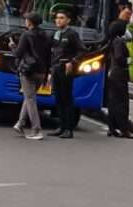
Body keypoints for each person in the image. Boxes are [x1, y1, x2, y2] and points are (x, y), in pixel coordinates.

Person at [9, 13, 51, 140]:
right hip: (41, 72)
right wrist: (47, 74)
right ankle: (20, 124)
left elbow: (18, 54)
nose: (25, 21)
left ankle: (36, 130)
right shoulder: (47, 35)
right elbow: (49, 56)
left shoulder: (26, 35)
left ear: (29, 22)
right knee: (29, 97)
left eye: (26, 20)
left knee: (30, 99)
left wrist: (12, 46)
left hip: (28, 71)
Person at [49, 10, 85, 139]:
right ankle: (61, 126)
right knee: (58, 99)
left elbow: (82, 50)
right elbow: (52, 52)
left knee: (66, 99)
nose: (58, 20)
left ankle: (69, 129)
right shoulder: (56, 34)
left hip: (66, 69)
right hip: (56, 69)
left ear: (68, 20)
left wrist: (72, 62)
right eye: (57, 18)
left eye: (62, 18)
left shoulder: (72, 34)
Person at [106, 7, 133, 139]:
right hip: (119, 74)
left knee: (113, 101)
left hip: (113, 73)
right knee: (122, 102)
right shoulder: (119, 42)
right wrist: (128, 61)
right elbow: (119, 58)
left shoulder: (112, 41)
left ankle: (112, 128)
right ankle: (124, 129)